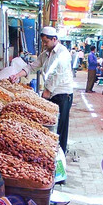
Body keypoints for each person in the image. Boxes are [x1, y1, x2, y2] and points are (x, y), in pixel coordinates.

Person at [10, 26, 73, 154]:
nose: (44, 44)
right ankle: (50, 151)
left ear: (54, 39)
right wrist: (17, 75)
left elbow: (58, 74)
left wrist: (47, 91)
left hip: (62, 93)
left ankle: (60, 153)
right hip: (51, 93)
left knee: (60, 125)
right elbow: (32, 66)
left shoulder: (63, 53)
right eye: (43, 42)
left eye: (46, 42)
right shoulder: (45, 54)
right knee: (51, 124)